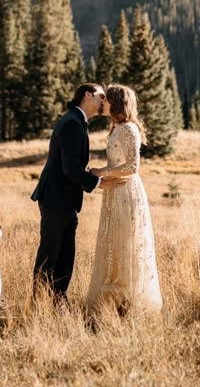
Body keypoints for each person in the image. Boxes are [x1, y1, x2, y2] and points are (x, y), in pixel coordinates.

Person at [31, 83, 126, 302]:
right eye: (101, 96)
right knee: (51, 253)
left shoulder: (78, 121)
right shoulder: (73, 123)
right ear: (87, 95)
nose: (104, 100)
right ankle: (41, 304)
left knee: (65, 253)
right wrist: (99, 183)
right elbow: (70, 167)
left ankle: (57, 299)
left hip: (64, 198)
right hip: (56, 197)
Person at [86, 83, 162, 315]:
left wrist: (102, 172)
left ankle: (130, 301)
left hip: (126, 193)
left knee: (126, 244)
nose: (103, 103)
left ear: (116, 102)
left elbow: (132, 166)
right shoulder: (118, 127)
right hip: (115, 192)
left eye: (106, 99)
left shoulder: (129, 128)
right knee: (114, 244)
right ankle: (115, 300)